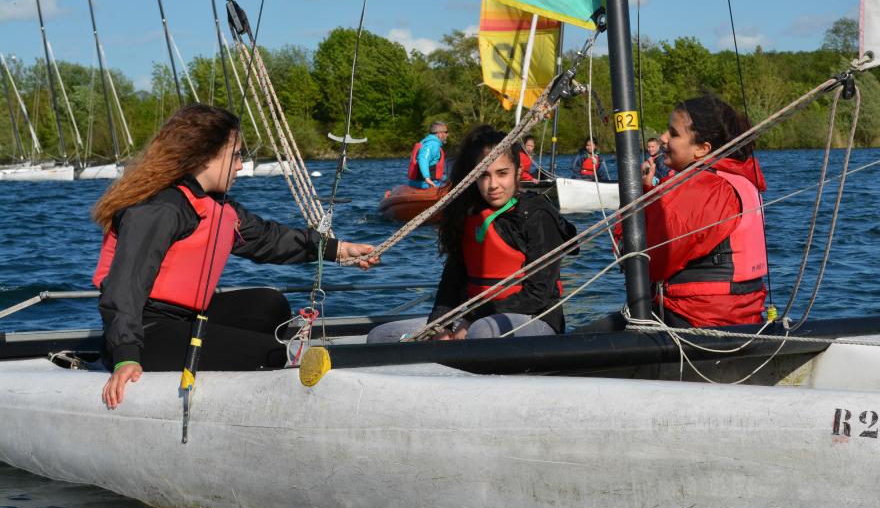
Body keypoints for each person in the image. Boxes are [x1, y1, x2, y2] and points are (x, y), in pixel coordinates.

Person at [94, 104, 378, 409]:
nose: (240, 166)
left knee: (269, 305)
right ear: (205, 156)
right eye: (236, 156)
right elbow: (124, 287)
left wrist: (336, 250)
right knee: (271, 352)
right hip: (146, 332)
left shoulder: (214, 205)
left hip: (186, 319)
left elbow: (268, 239)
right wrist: (125, 355)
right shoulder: (161, 208)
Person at [368, 126, 577, 343]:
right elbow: (451, 282)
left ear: (517, 171)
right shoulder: (468, 216)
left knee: (482, 332)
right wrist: (440, 325)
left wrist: (472, 318)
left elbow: (539, 294)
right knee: (381, 336)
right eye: (484, 175)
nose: (493, 185)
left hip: (534, 319)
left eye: (502, 173)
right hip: (477, 318)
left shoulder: (537, 215)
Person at [639, 95, 768, 327]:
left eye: (673, 133)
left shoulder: (705, 189)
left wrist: (640, 198)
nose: (663, 138)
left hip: (695, 318)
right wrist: (650, 192)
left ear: (702, 148)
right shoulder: (738, 178)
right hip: (739, 315)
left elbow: (647, 262)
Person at [407, 121, 449, 189]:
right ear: (440, 134)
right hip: (426, 184)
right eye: (446, 132)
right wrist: (427, 178)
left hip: (414, 182)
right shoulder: (433, 144)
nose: (447, 135)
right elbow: (423, 158)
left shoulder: (425, 142)